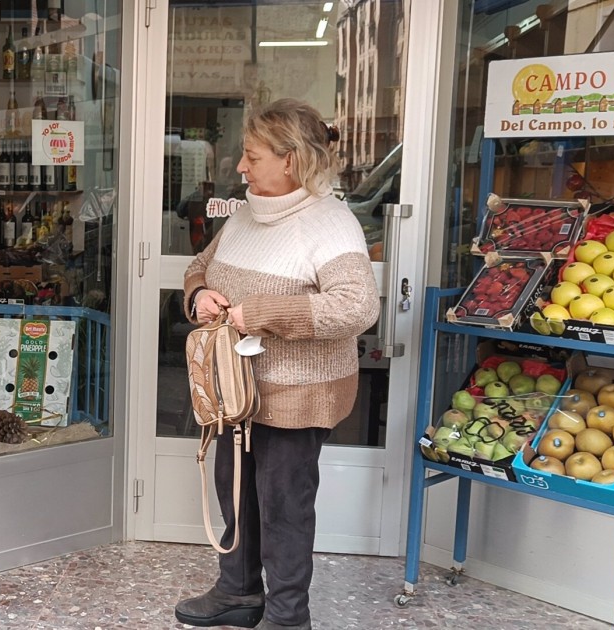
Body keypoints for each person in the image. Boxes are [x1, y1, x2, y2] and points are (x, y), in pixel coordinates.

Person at [174, 99, 380, 630]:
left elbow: (357, 307)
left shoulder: (331, 224)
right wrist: (200, 295)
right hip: (235, 388)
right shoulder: (247, 213)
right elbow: (200, 266)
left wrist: (262, 312)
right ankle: (239, 593)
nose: (241, 168)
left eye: (252, 156)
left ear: (290, 160)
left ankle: (289, 617)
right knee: (233, 488)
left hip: (298, 391)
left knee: (283, 504)